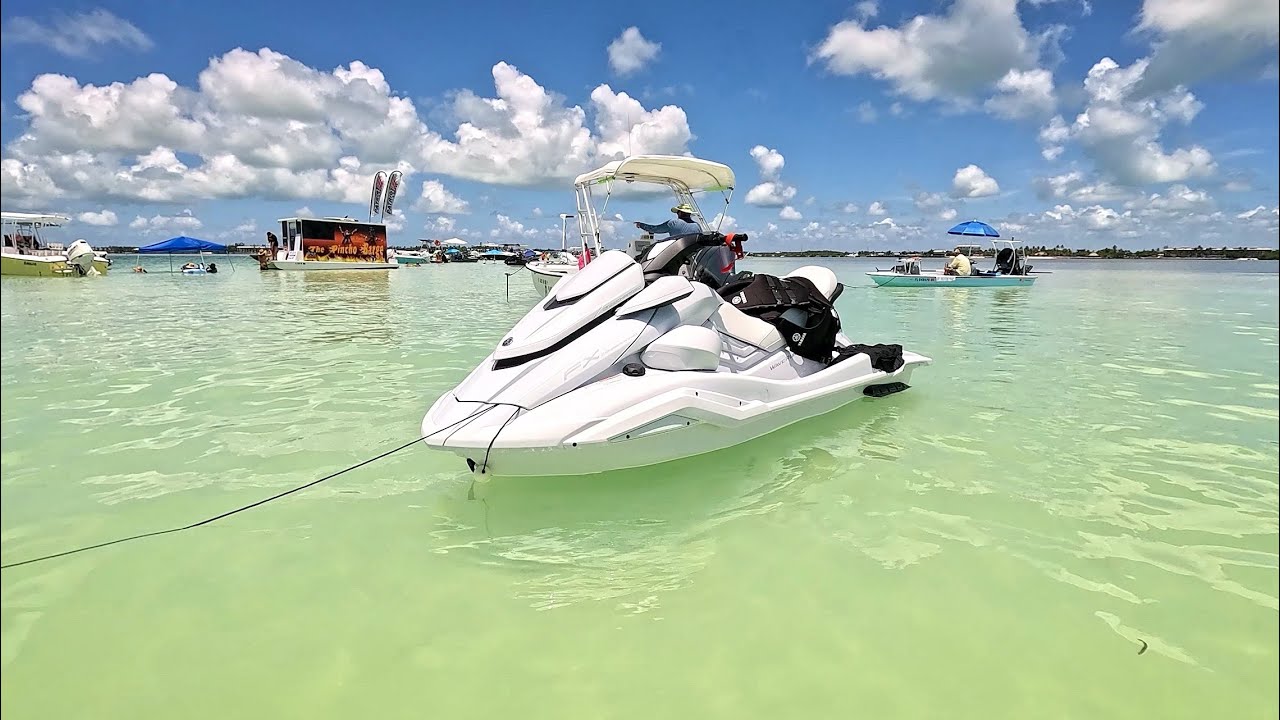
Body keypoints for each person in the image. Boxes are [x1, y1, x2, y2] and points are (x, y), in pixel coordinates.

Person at [635, 203, 702, 238]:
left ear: (680, 213)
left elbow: (655, 229)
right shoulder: (697, 226)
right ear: (689, 214)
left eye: (677, 212)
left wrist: (641, 225)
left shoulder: (673, 223)